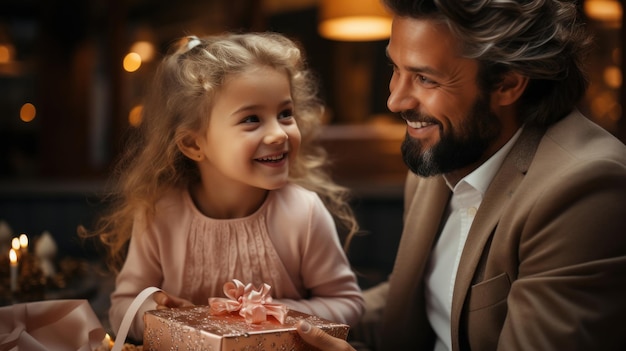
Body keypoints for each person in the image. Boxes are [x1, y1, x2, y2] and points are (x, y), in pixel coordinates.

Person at [297, 0, 626, 350]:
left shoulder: (586, 189)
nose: (396, 100)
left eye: (425, 78)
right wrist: (285, 326)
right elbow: (418, 299)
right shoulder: (444, 150)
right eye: (396, 68)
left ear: (508, 84)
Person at [85, 32, 364, 341]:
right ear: (193, 144)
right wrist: (155, 312)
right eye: (251, 120)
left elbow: (348, 303)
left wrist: (270, 314)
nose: (278, 134)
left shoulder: (303, 213)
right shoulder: (159, 213)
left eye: (285, 114)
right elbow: (122, 306)